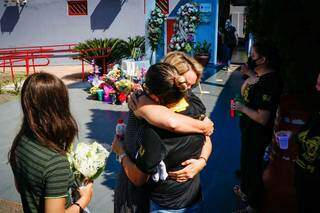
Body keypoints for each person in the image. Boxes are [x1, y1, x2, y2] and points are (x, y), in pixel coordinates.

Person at [114, 52, 213, 213]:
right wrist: (203, 126)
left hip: (177, 198)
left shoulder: (193, 104)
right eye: (185, 84)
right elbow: (172, 123)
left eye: (191, 86)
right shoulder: (147, 113)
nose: (186, 91)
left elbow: (206, 139)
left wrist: (201, 161)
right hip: (172, 197)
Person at [8, 73, 93, 213]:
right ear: (59, 108)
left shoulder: (20, 142)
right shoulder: (55, 162)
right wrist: (84, 200)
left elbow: (21, 187)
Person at [232, 41, 282, 212]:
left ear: (263, 59)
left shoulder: (269, 82)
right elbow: (247, 89)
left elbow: (262, 118)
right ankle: (246, 192)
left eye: (253, 56)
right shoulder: (259, 76)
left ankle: (253, 206)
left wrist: (242, 108)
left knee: (254, 169)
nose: (249, 59)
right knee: (247, 163)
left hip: (257, 134)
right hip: (248, 130)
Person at [294, 72, 320, 213]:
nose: (316, 88)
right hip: (303, 181)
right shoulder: (316, 113)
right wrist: (292, 136)